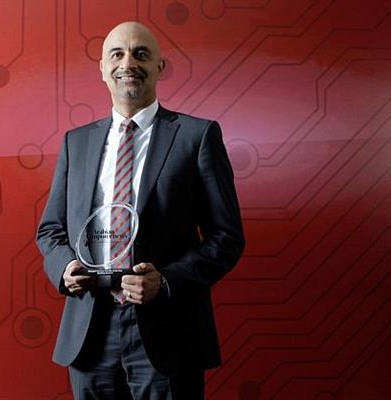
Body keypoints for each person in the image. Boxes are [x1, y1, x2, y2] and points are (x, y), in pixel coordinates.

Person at [36, 21, 245, 400]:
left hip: (168, 330)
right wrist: (64, 268)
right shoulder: (76, 143)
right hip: (90, 329)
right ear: (102, 69)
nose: (127, 63)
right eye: (116, 54)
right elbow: (50, 230)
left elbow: (226, 238)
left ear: (159, 67)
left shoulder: (196, 137)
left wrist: (166, 281)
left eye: (141, 54)